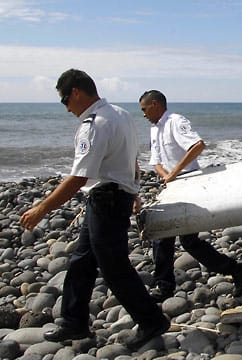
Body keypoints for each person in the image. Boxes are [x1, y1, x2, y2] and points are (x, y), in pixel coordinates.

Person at [19, 69, 169, 349]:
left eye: (65, 101)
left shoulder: (95, 123)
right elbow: (130, 157)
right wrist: (133, 190)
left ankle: (151, 320)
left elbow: (78, 178)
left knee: (114, 268)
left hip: (107, 200)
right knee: (82, 261)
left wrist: (42, 208)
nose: (66, 109)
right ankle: (73, 321)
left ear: (76, 92)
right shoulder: (121, 115)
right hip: (112, 196)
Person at [139, 90, 242, 302]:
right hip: (172, 186)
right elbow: (156, 160)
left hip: (189, 183)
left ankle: (235, 270)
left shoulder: (175, 121)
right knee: (169, 237)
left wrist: (174, 173)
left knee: (183, 239)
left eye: (144, 109)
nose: (143, 114)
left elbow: (197, 146)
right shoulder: (154, 129)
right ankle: (166, 286)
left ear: (155, 104)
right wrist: (166, 176)